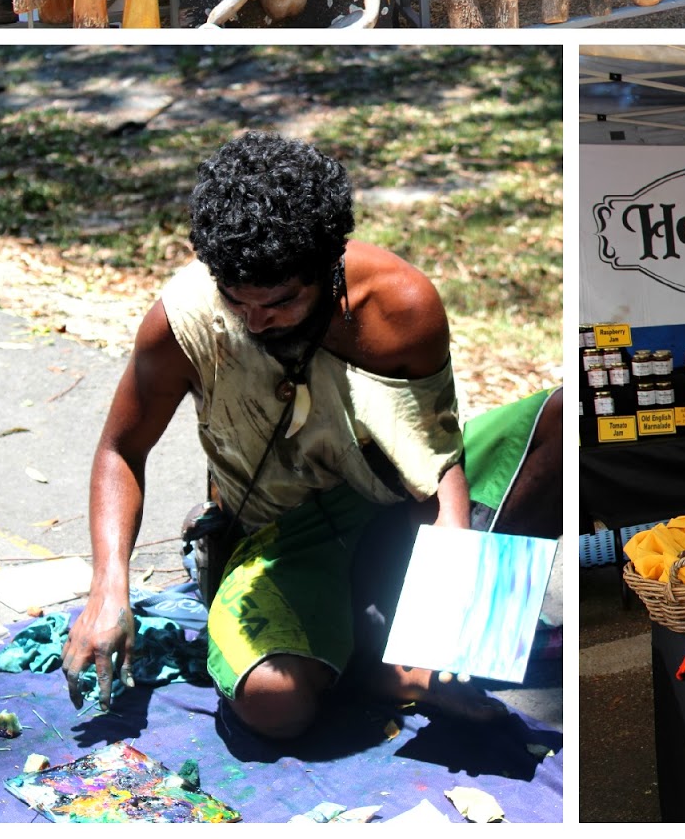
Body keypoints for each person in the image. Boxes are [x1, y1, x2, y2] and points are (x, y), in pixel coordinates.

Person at [59, 133, 520, 739]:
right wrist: (108, 588)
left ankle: (402, 641)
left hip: (393, 497)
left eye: (279, 302)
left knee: (557, 420)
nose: (254, 320)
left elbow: (438, 459)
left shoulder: (402, 305)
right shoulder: (180, 321)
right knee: (273, 701)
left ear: (330, 267)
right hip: (283, 536)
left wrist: (459, 582)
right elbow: (121, 449)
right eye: (236, 299)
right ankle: (383, 666)